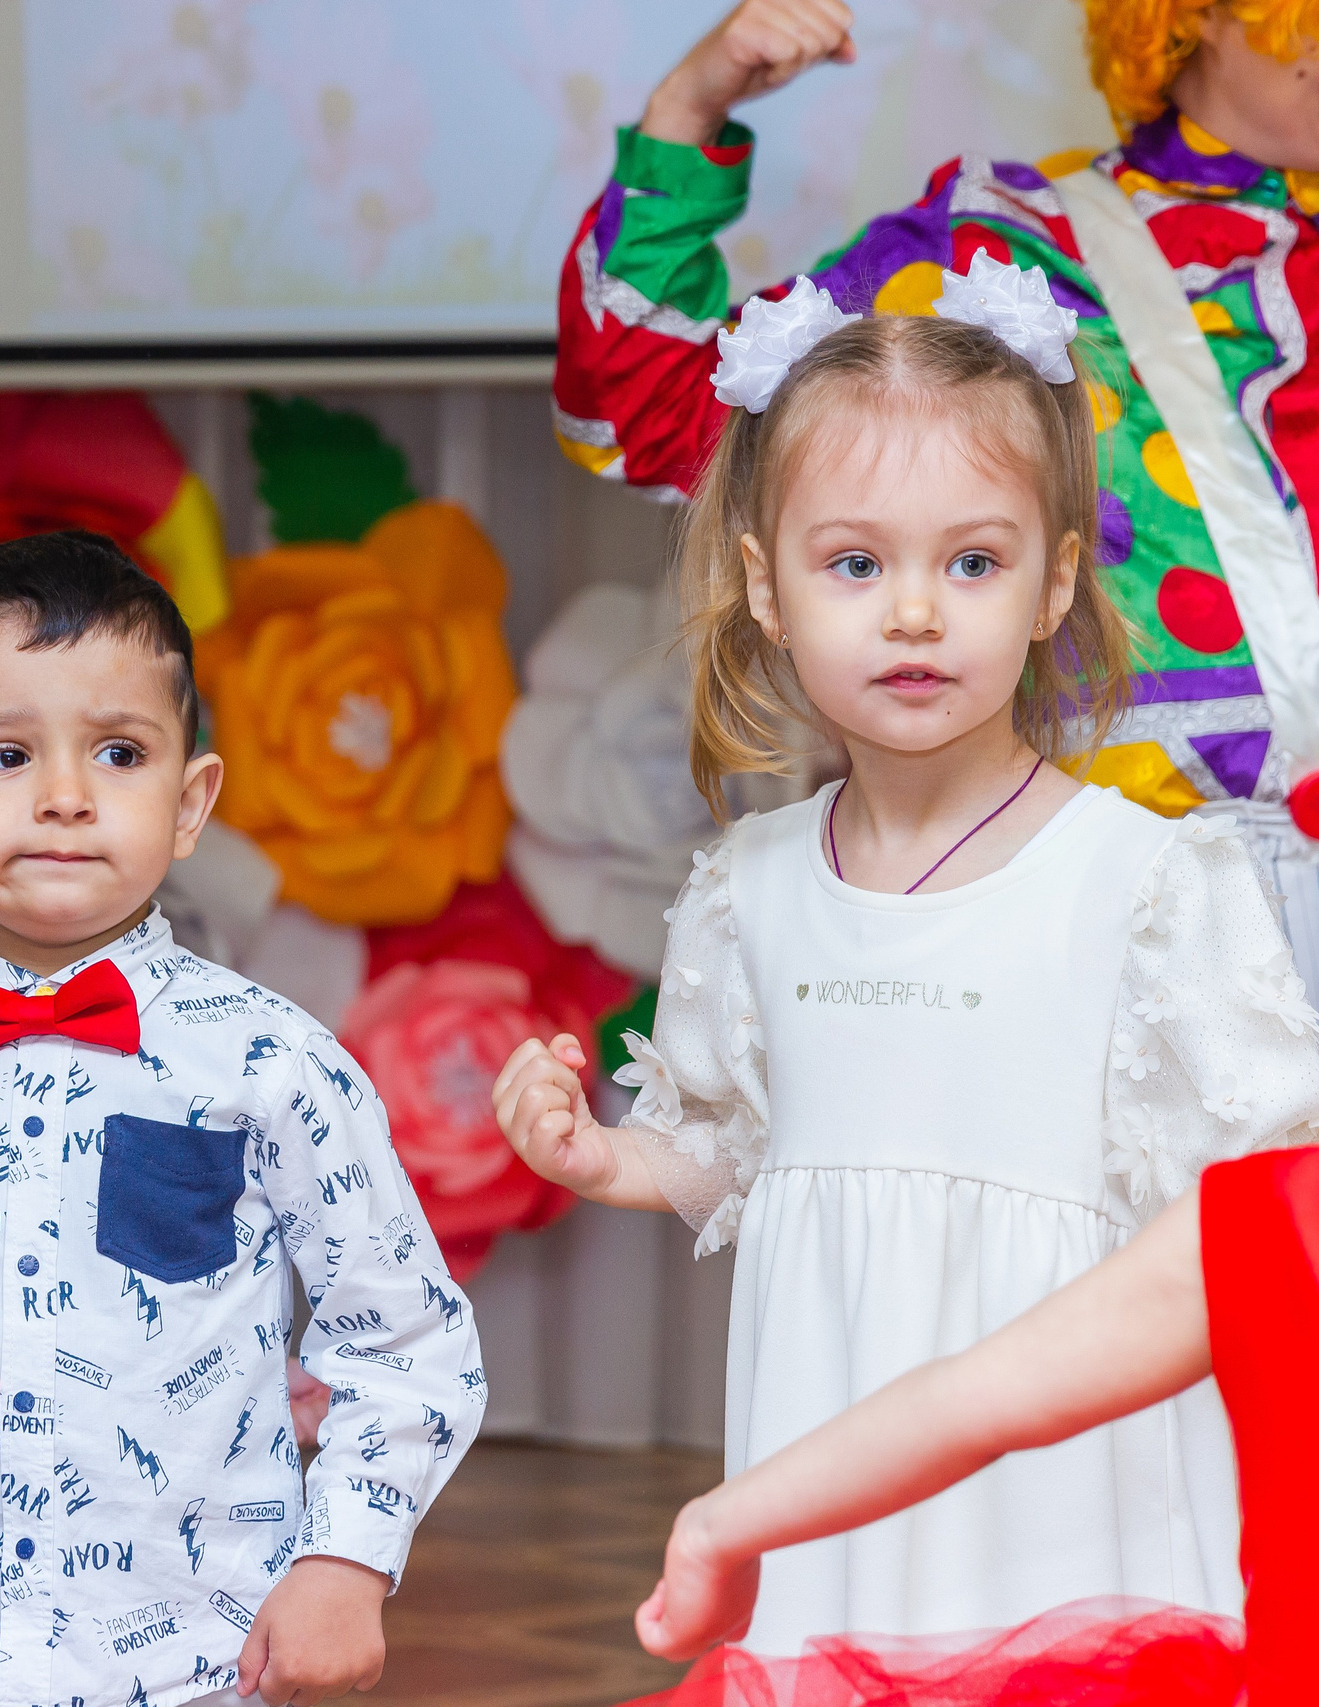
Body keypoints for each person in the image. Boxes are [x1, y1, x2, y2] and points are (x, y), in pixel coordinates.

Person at [496, 288, 1319, 1654]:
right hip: (830, 1442)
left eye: (976, 563)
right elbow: (731, 1148)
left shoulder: (1155, 883)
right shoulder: (749, 883)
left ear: (1056, 579)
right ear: (767, 582)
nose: (918, 612)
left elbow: (1257, 1222)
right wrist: (603, 1158)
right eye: (857, 564)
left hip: (1069, 1480)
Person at [0, 531, 483, 1707]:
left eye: (120, 752)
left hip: (198, 1659)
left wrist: (346, 1560)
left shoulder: (270, 1064)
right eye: (2, 754)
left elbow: (407, 1341)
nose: (66, 796)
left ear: (189, 803)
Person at [554, 0, 1319, 990]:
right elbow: (643, 406)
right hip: (1126, 962)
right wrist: (685, 109)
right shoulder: (1010, 250)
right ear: (1203, 14)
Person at [633, 1147, 1318, 1700]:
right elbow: (971, 1401)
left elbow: (968, 1401)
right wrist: (712, 1532)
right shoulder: (1270, 1212)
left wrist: (713, 1532)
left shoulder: (1278, 1206)